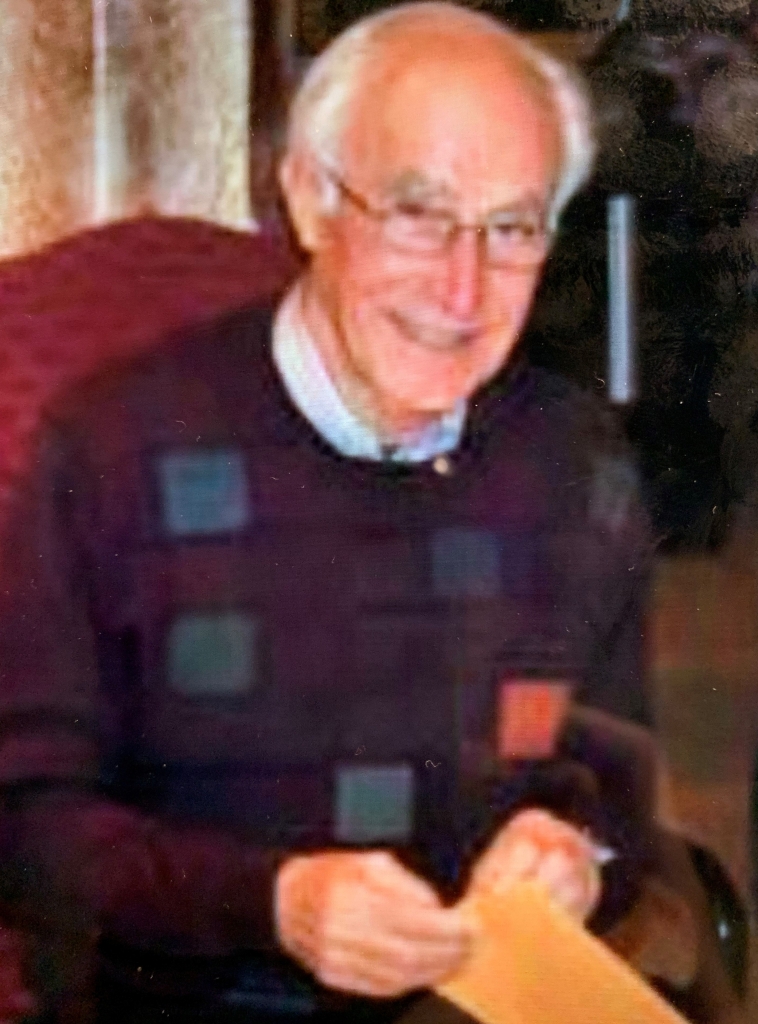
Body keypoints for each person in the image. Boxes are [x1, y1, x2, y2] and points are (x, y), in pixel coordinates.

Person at [0, 4, 744, 1023]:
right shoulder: (112, 450)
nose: (461, 290)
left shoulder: (574, 463)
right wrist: (271, 903)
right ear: (311, 200)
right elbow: (25, 827)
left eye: (511, 228)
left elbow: (610, 782)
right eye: (417, 214)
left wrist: (577, 851)